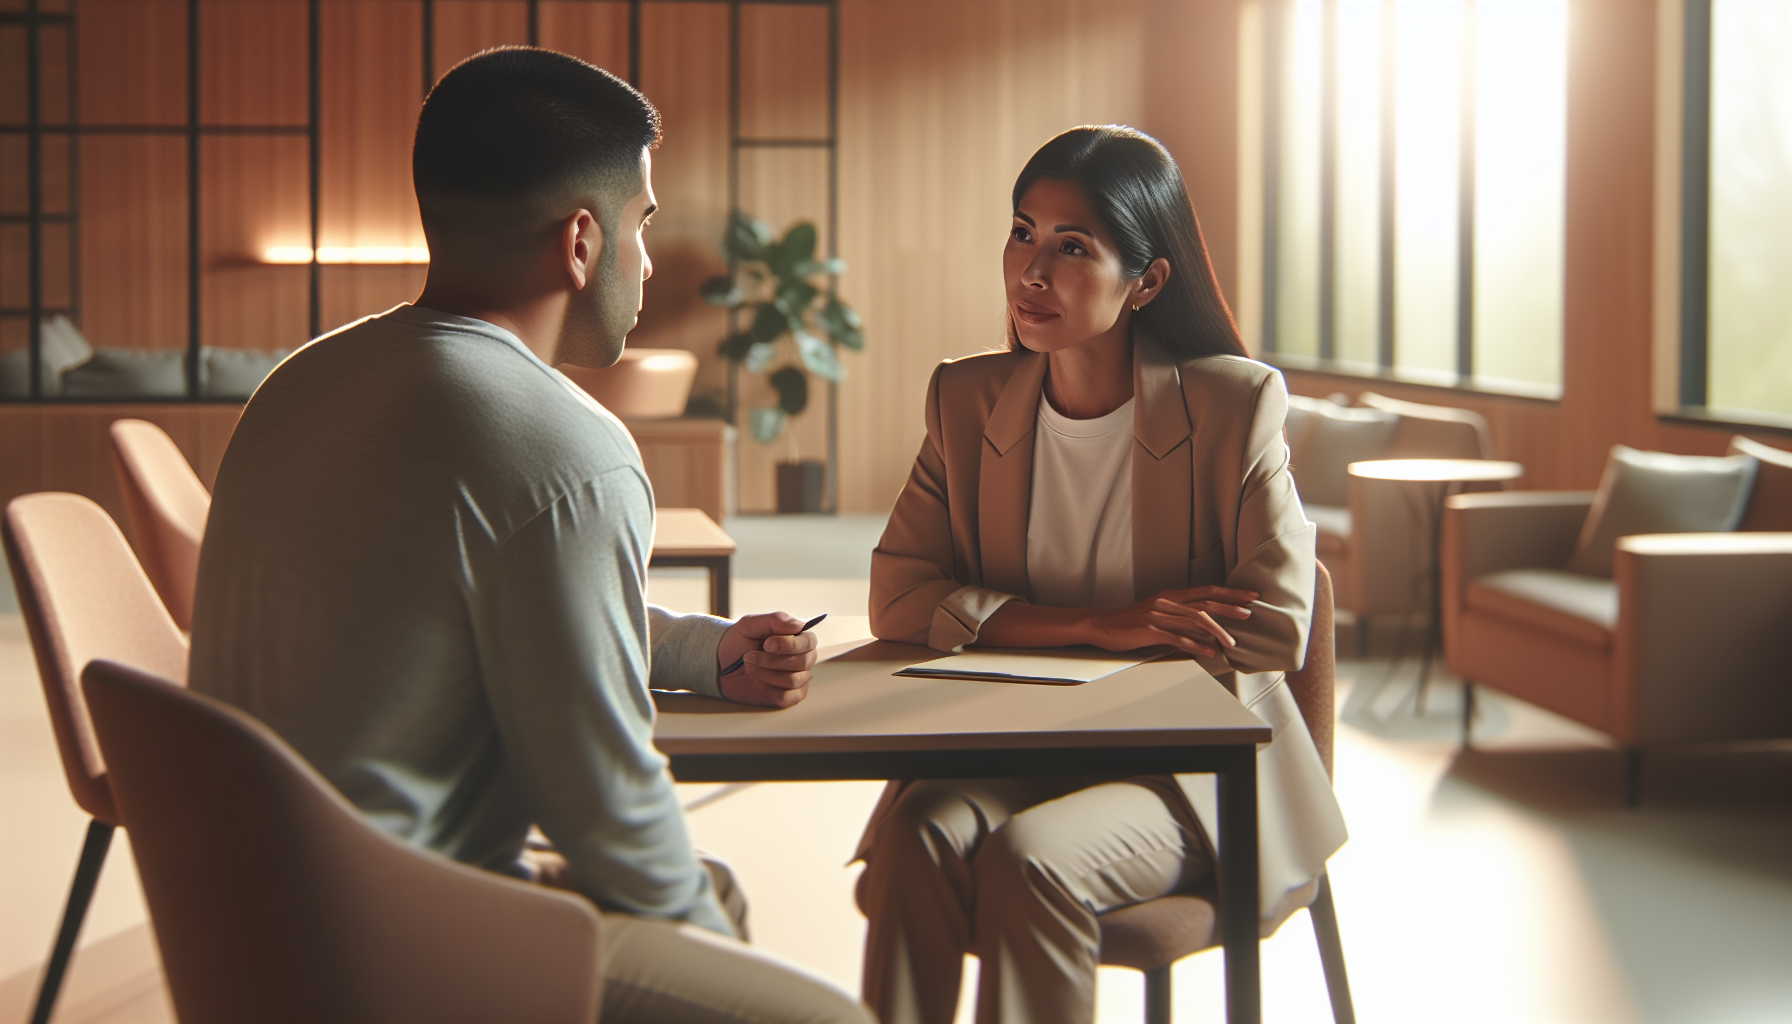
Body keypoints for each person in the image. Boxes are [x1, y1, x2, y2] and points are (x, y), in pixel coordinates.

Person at [189, 47, 869, 1024]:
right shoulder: (568, 445)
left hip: (246, 919)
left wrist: (700, 651)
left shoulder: (301, 383)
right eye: (641, 224)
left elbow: (490, 602)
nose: (644, 258)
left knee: (710, 886)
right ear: (581, 241)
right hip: (398, 949)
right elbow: (606, 812)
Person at [856, 125, 1349, 1024]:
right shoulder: (964, 401)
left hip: (1188, 769)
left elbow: (1277, 622)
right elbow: (897, 598)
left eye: (1072, 247)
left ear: (1148, 281)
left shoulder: (1232, 405)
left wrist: (997, 617)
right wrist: (1100, 623)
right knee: (918, 832)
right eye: (1021, 232)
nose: (1031, 271)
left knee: (1030, 860)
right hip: (1017, 743)